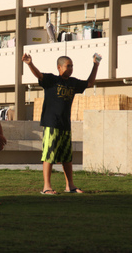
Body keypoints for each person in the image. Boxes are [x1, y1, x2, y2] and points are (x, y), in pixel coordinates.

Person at [22, 53, 100, 194]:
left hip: (65, 125)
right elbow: (39, 75)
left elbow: (89, 83)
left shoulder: (73, 82)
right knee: (49, 155)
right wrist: (29, 64)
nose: (71, 68)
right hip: (52, 124)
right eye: (68, 66)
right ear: (59, 67)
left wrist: (96, 65)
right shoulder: (52, 80)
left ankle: (70, 186)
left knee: (67, 157)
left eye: (72, 66)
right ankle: (46, 187)